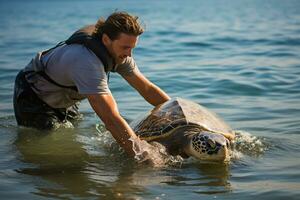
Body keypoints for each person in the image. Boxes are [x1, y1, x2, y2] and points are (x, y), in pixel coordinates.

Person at [13, 11, 170, 156]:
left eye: (132, 47)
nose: (129, 54)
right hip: (34, 94)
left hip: (65, 96)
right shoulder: (86, 61)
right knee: (49, 145)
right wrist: (141, 154)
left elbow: (147, 88)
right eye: (125, 47)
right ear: (106, 39)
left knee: (70, 131)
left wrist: (178, 114)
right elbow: (110, 118)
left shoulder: (120, 54)